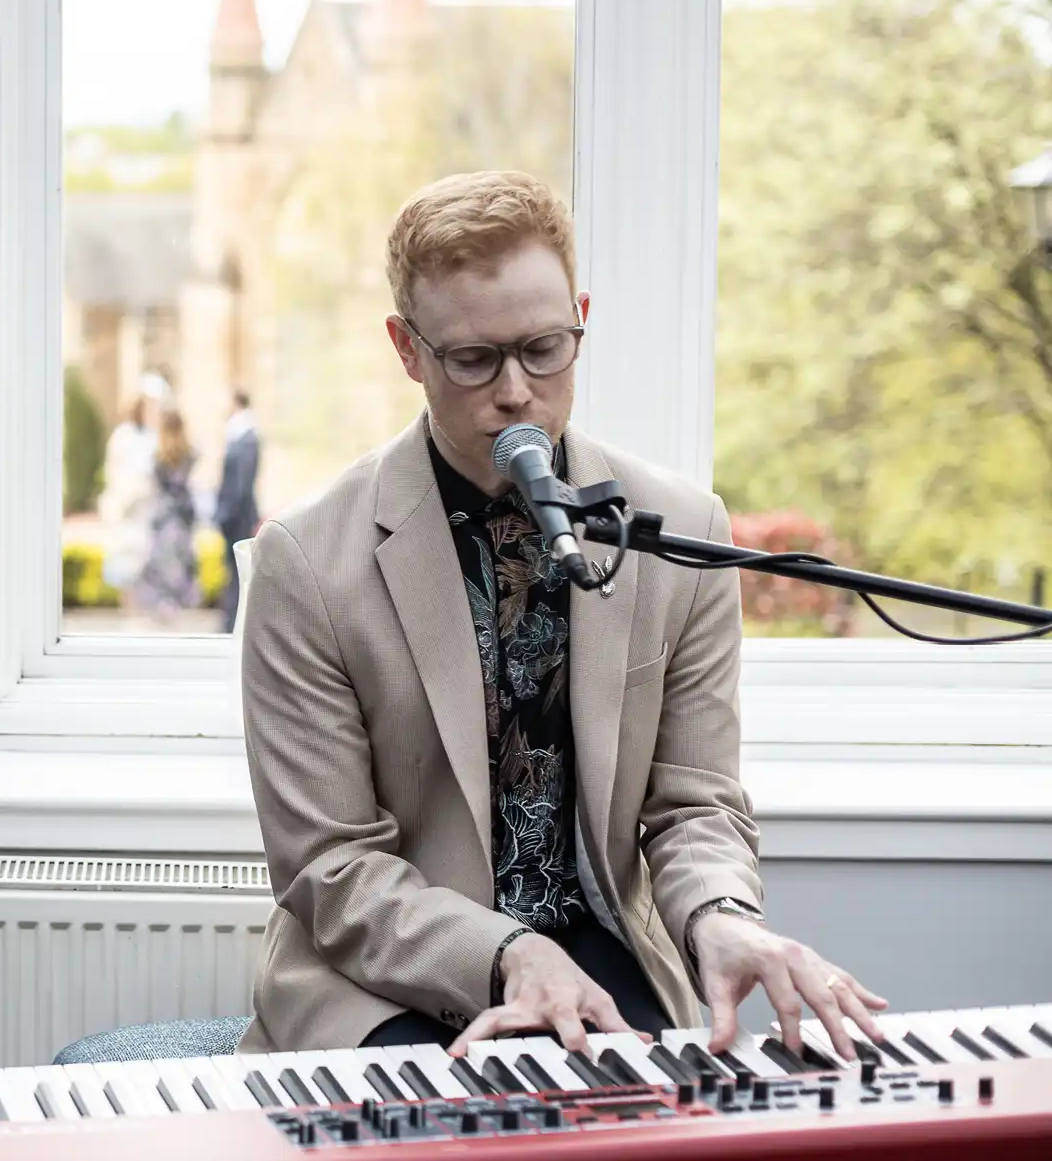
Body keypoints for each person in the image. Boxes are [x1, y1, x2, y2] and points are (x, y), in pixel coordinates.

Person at [236, 171, 887, 1066]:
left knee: (672, 1113)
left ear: (580, 319)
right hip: (382, 972)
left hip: (599, 948)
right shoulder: (306, 561)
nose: (516, 391)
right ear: (407, 349)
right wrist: (507, 951)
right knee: (447, 1125)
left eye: (545, 349)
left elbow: (696, 803)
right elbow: (330, 866)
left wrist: (721, 915)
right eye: (474, 359)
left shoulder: (682, 531)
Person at [132, 407, 202, 621]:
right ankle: (176, 606)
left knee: (162, 565)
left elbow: (155, 488)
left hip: (165, 519)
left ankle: (165, 607)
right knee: (179, 563)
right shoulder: (190, 454)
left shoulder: (157, 457)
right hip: (182, 518)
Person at [99, 376, 167, 595]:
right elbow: (116, 472)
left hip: (147, 512)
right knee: (125, 569)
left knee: (145, 571)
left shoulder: (154, 436)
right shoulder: (123, 436)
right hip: (128, 510)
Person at [212, 389, 261, 633]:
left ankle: (232, 623)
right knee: (232, 572)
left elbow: (242, 485)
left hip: (237, 518)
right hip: (232, 516)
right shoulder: (237, 434)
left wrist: (228, 514)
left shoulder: (247, 437)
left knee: (238, 572)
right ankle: (229, 621)